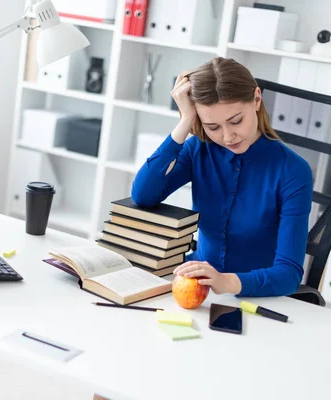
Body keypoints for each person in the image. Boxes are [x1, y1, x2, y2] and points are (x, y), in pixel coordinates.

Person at [131, 57, 313, 297]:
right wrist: (185, 122)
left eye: (236, 121)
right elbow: (143, 195)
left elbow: (289, 275)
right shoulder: (199, 149)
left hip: (258, 296)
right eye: (213, 127)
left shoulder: (293, 171)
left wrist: (226, 282)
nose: (228, 137)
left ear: (256, 99)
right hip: (196, 286)